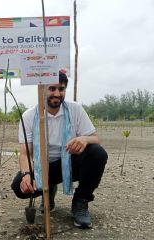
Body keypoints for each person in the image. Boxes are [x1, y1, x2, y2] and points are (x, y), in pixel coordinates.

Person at [11, 71, 108, 229]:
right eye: (52, 88)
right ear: (42, 90)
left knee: (97, 153)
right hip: (44, 167)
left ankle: (80, 202)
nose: (57, 93)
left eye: (61, 89)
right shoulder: (29, 116)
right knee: (18, 187)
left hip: (71, 163)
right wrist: (27, 175)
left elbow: (96, 139)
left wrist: (84, 139)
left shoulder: (75, 109)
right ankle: (48, 191)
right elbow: (25, 153)